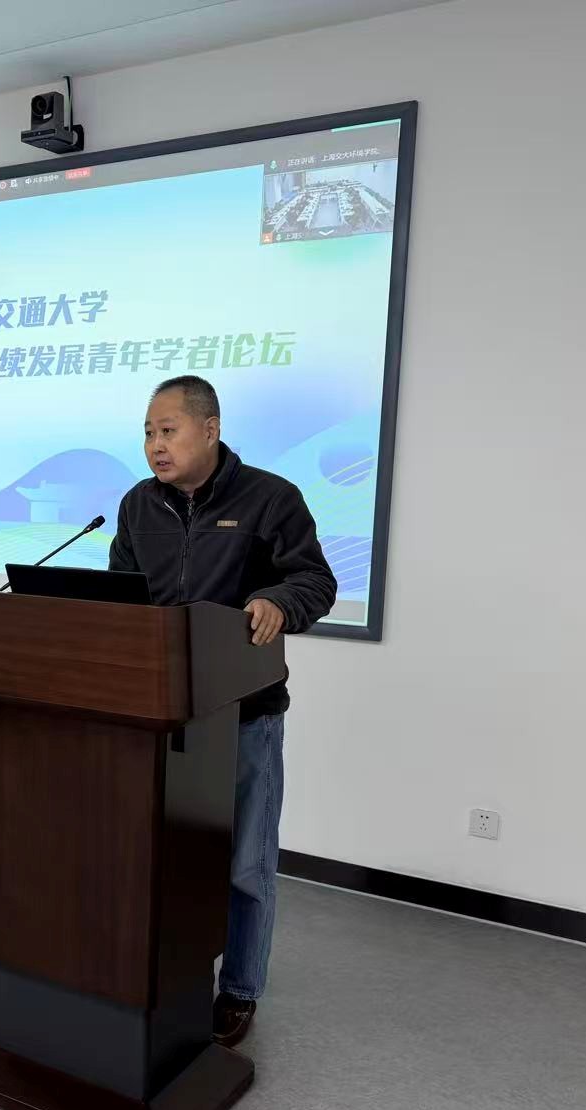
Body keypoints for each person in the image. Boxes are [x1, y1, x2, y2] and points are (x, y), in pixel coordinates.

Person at [108, 375, 337, 1047]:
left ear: (209, 429)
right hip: (159, 713)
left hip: (244, 713)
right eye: (148, 432)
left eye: (168, 429)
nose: (155, 444)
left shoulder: (270, 498)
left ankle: (239, 988)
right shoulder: (137, 504)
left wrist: (277, 602)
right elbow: (119, 596)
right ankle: (165, 973)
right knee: (160, 855)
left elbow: (315, 581)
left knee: (244, 863)